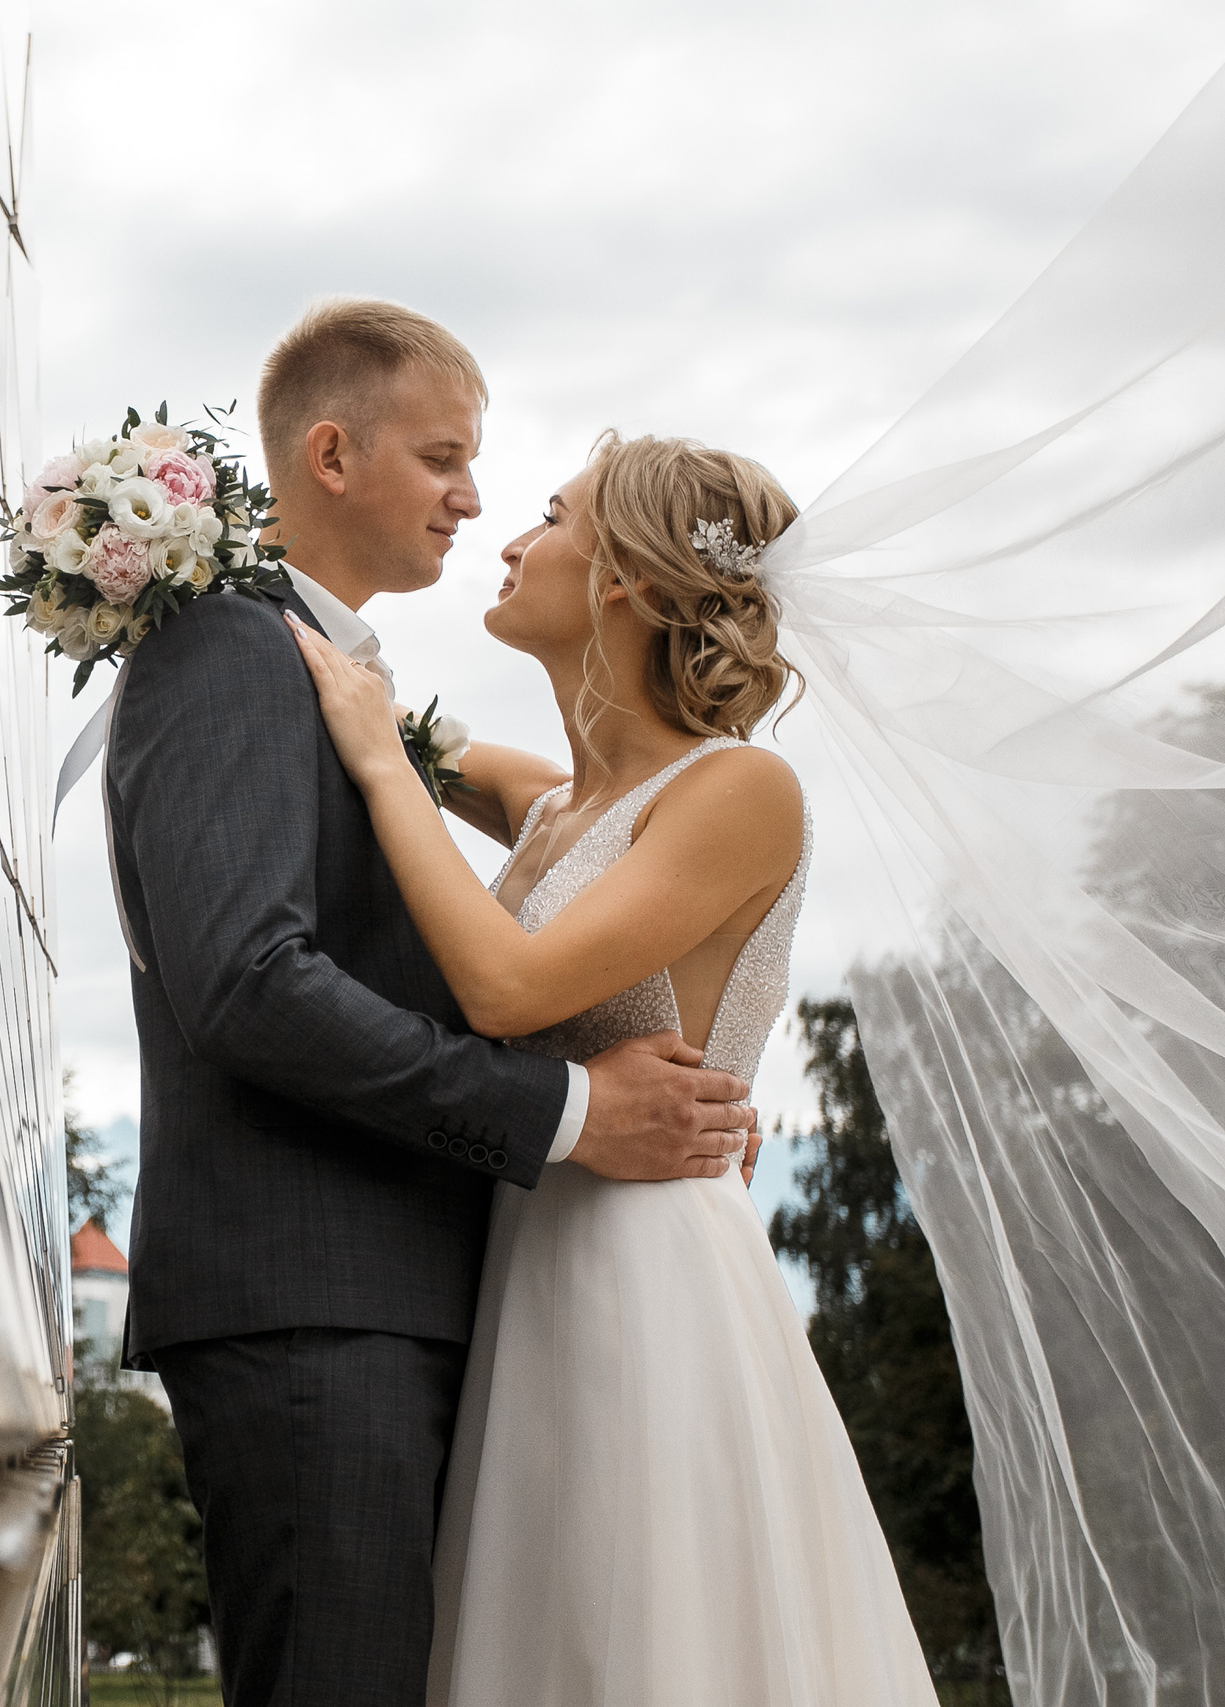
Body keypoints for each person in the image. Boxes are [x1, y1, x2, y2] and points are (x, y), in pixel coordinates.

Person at [106, 299, 761, 1707]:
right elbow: (249, 982)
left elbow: (559, 809)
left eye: (521, 493)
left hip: (470, 1291)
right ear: (331, 454)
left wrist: (388, 723)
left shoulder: (350, 684)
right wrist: (579, 1107)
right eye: (450, 459)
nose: (480, 505)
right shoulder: (233, 648)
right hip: (316, 1293)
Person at [289, 431, 937, 1704]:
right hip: (526, 1258)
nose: (513, 537)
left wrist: (377, 763)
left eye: (552, 515)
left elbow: (507, 986)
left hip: (644, 1273)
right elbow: (385, 709)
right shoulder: (557, 808)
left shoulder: (742, 789)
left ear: (630, 580)